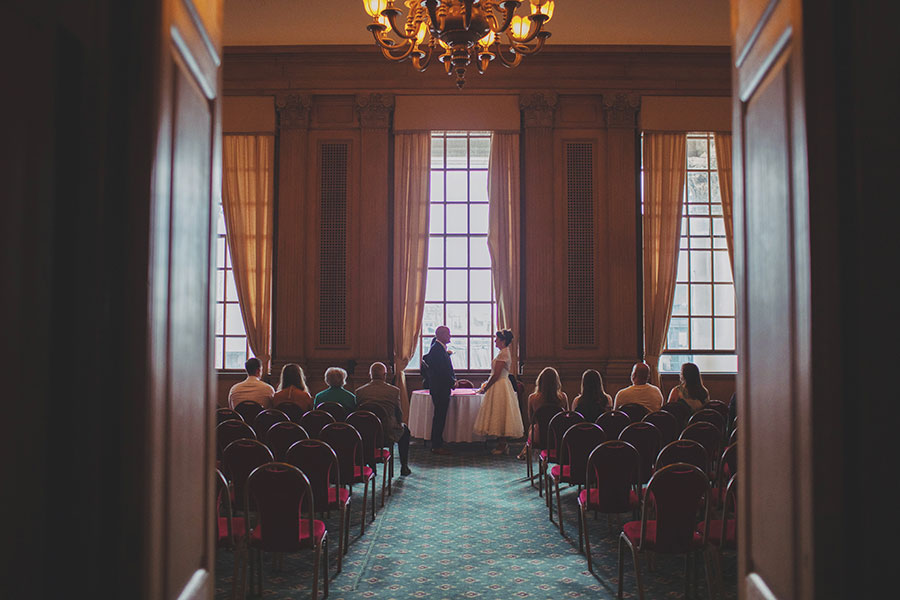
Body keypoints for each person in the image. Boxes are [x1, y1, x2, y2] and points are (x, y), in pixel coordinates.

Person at [472, 330, 525, 455]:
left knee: (501, 413)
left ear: (503, 341)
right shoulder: (503, 353)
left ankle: (502, 444)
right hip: (500, 384)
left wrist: (486, 387)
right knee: (499, 413)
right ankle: (502, 443)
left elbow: (496, 375)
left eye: (496, 339)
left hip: (500, 385)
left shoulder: (504, 354)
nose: (495, 341)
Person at [356, 362, 412, 475]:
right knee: (405, 431)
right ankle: (404, 466)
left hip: (367, 435)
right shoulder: (393, 391)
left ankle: (370, 466)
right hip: (388, 433)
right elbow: (399, 414)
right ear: (385, 375)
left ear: (370, 375)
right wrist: (399, 423)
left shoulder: (360, 392)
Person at [517, 366, 569, 459]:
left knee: (533, 426)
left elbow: (531, 419)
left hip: (539, 436)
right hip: (558, 436)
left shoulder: (532, 398)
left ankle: (525, 450)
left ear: (540, 381)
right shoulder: (563, 397)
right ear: (556, 382)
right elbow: (566, 417)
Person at [422, 325, 456, 455]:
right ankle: (436, 445)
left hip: (441, 388)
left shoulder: (439, 348)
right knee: (439, 417)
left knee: (440, 417)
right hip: (440, 389)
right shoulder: (436, 350)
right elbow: (441, 372)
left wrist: (453, 380)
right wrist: (452, 382)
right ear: (441, 335)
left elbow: (447, 369)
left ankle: (438, 442)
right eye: (448, 334)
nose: (450, 336)